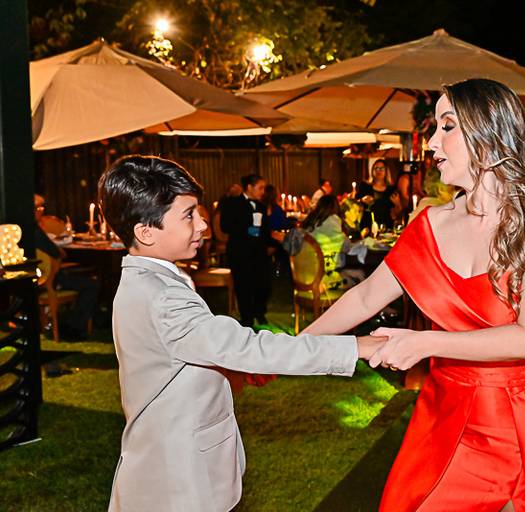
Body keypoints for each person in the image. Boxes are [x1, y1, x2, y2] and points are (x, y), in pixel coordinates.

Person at [303, 78, 525, 510]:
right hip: (446, 418)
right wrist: (293, 348)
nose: (432, 142)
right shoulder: (429, 224)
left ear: (489, 135)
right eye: (435, 127)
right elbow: (363, 299)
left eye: (447, 126)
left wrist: (424, 343)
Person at [97, 155, 384, 512]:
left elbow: (179, 360)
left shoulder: (149, 280)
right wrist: (355, 347)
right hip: (178, 478)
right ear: (146, 232)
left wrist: (233, 372)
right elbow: (245, 347)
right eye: (189, 215)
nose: (203, 224)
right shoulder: (162, 297)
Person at [33, 193, 100, 340]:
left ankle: (84, 321)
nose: (41, 210)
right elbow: (58, 254)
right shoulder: (35, 231)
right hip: (49, 278)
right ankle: (74, 327)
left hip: (39, 276)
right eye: (38, 208)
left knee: (84, 279)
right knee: (92, 284)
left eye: (42, 207)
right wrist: (59, 251)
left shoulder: (22, 229)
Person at [220, 174, 272, 326]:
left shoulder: (262, 206)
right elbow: (225, 226)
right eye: (260, 188)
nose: (263, 191)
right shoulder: (232, 203)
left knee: (263, 283)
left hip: (259, 251)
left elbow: (266, 230)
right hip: (240, 251)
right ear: (249, 187)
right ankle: (247, 318)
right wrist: (246, 229)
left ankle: (260, 312)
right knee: (243, 285)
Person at [301, 195, 351, 291]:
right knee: (360, 276)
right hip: (324, 280)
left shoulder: (310, 222)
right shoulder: (334, 223)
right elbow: (347, 248)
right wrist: (344, 235)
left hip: (304, 277)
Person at [358, 159, 400, 230]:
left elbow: (397, 213)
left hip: (386, 226)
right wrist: (362, 200)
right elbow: (356, 203)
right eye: (376, 168)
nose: (378, 171)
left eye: (381, 168)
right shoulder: (365, 187)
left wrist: (397, 204)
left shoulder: (391, 189)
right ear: (372, 171)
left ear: (386, 171)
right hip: (367, 226)